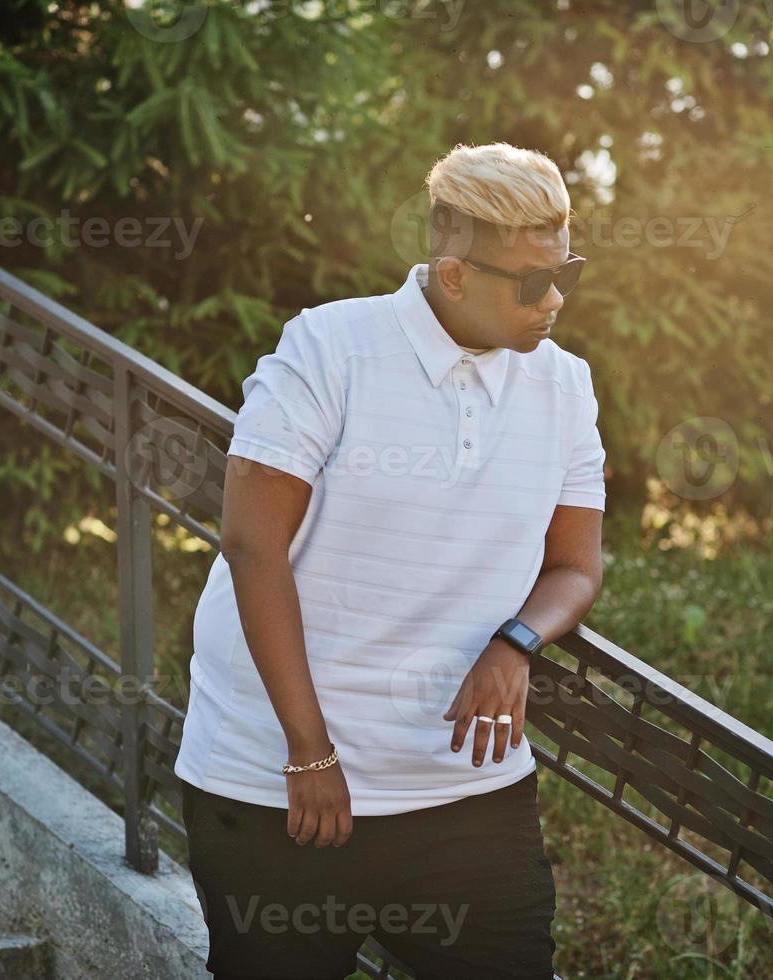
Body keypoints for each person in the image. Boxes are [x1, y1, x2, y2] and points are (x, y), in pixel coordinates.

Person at [174, 141, 606, 980]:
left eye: (566, 272)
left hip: (466, 797)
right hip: (280, 792)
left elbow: (574, 569)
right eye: (529, 281)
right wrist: (309, 750)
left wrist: (514, 643)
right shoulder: (329, 348)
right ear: (453, 275)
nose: (554, 299)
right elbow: (251, 545)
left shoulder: (566, 387)